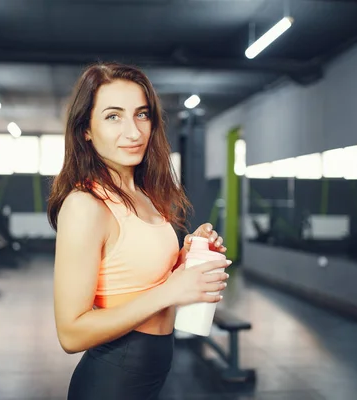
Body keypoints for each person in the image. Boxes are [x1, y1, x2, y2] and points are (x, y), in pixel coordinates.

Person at [47, 62, 232, 400]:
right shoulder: (85, 204)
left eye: (141, 115)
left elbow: (139, 278)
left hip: (151, 372)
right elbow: (70, 334)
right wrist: (171, 291)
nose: (133, 132)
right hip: (112, 378)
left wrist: (188, 256)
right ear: (85, 129)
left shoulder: (144, 194)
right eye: (113, 116)